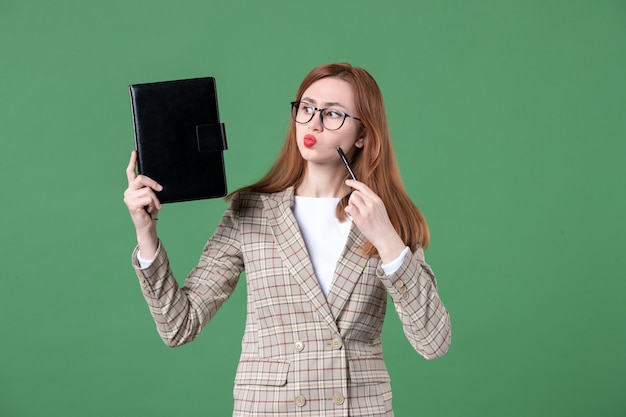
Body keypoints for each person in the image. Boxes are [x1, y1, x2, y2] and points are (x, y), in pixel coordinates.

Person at [124, 63, 451, 416]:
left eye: (334, 114)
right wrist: (146, 233)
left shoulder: (387, 220)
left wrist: (387, 239)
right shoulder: (251, 210)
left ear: (362, 135)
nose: (314, 122)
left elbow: (433, 342)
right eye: (307, 108)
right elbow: (179, 326)